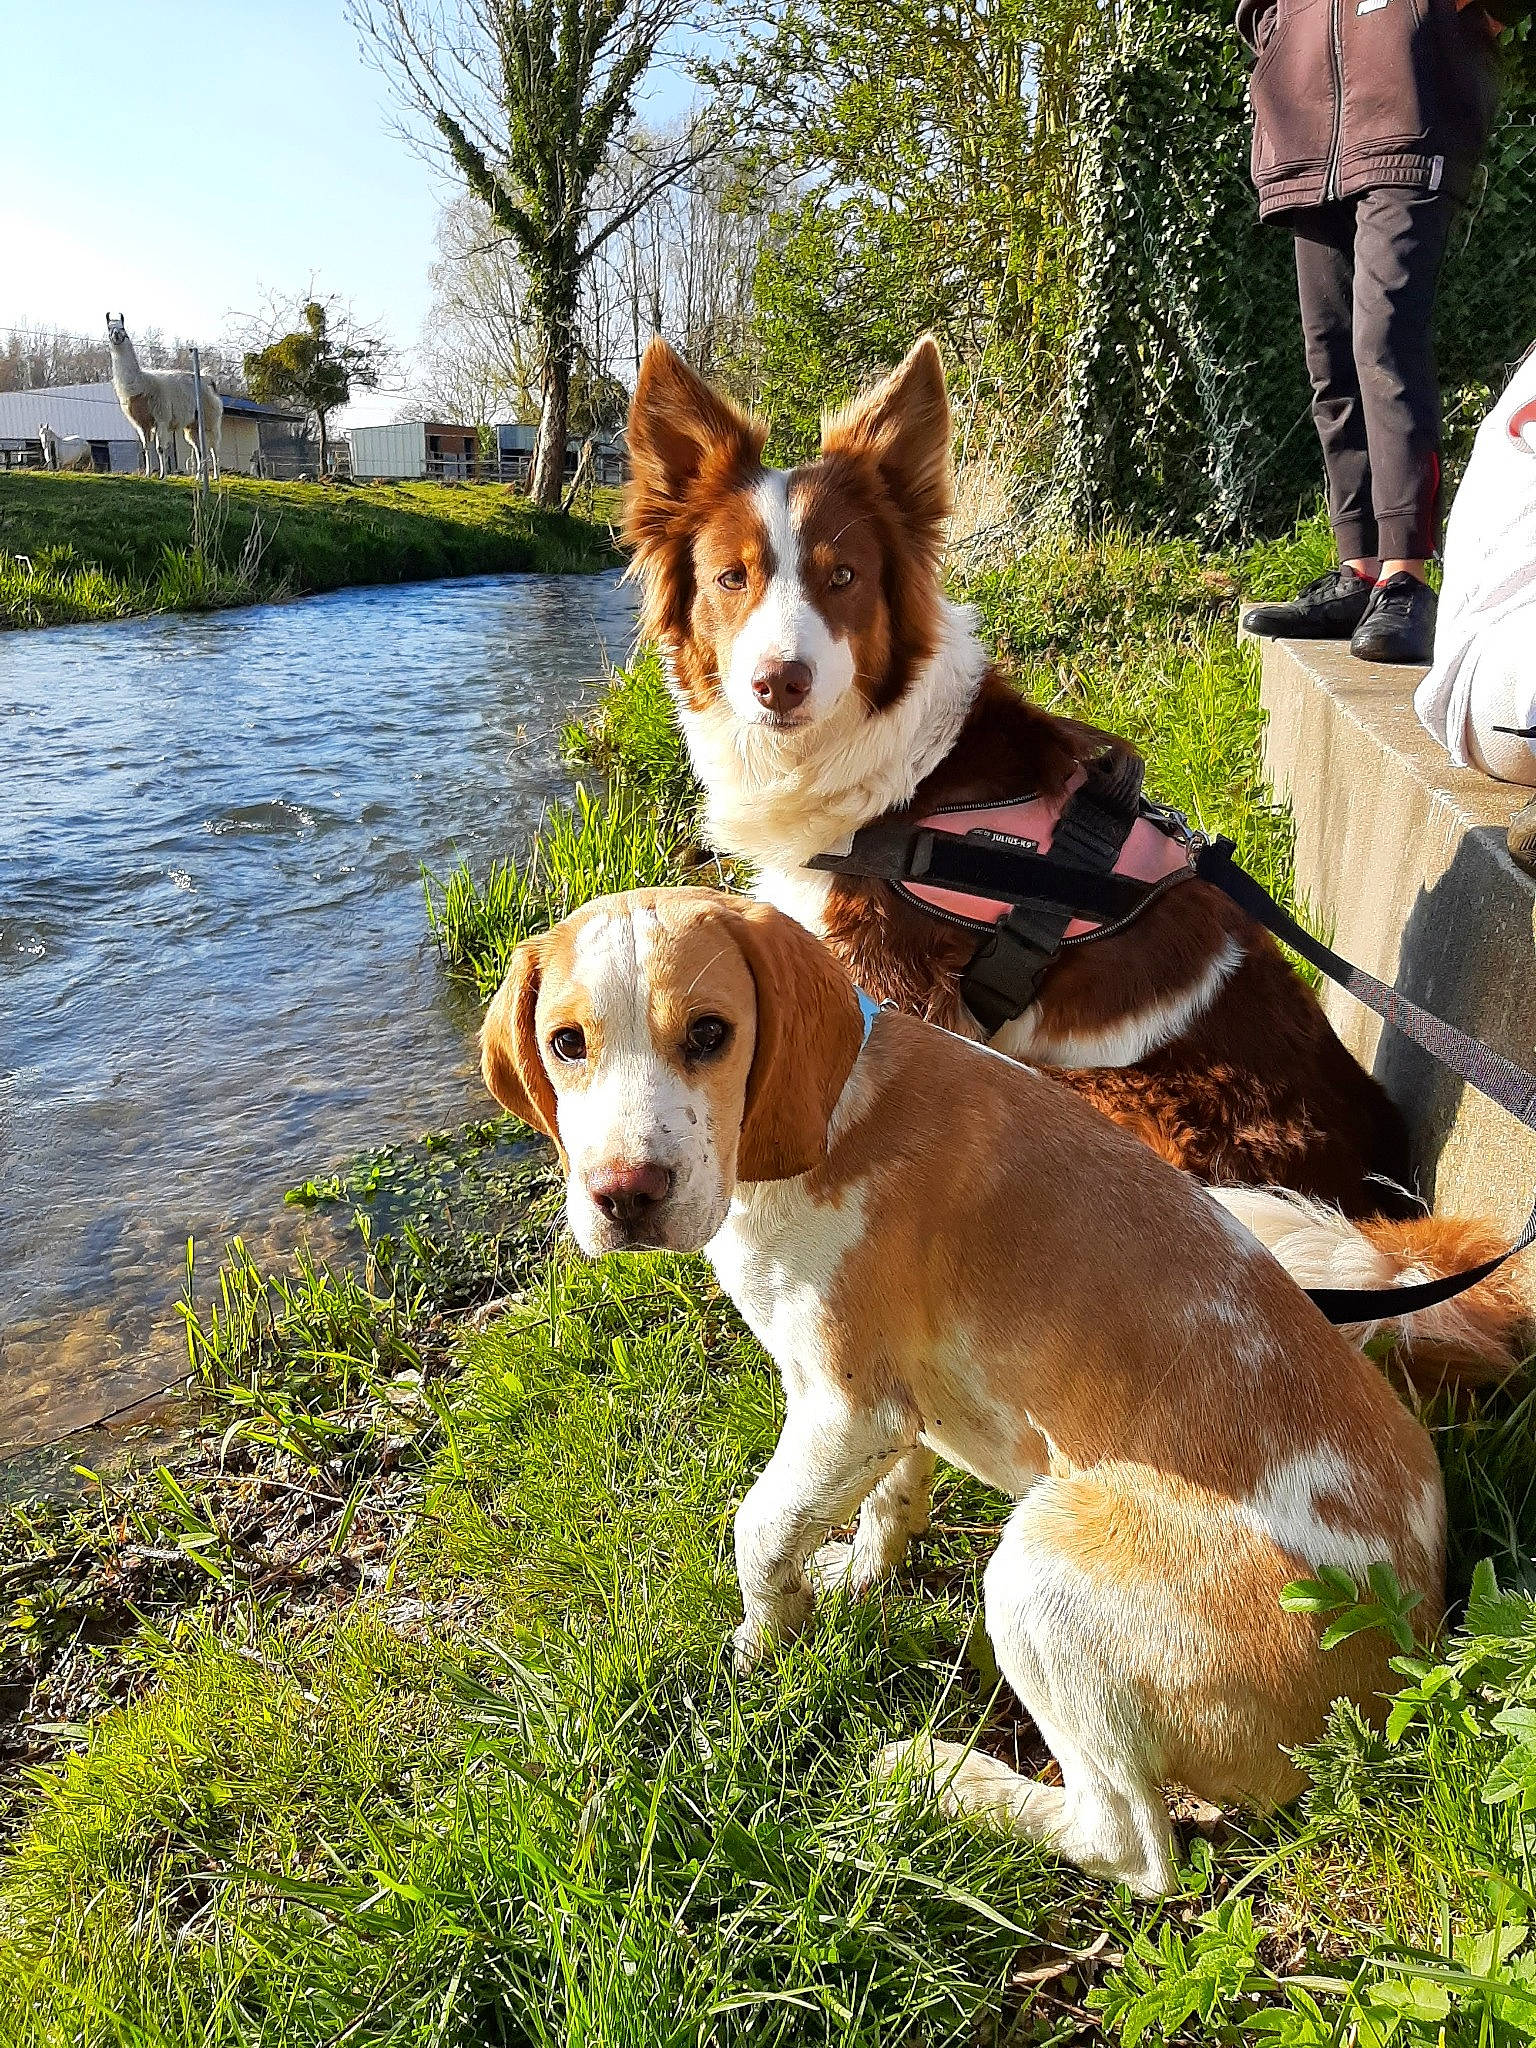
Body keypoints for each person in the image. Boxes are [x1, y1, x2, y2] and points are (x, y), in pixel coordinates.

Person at [1236, 0, 1516, 665]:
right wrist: (1277, 34)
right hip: (1307, 129)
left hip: (1408, 110)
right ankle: (1359, 569)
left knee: (1385, 341)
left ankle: (1405, 577)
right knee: (1329, 354)